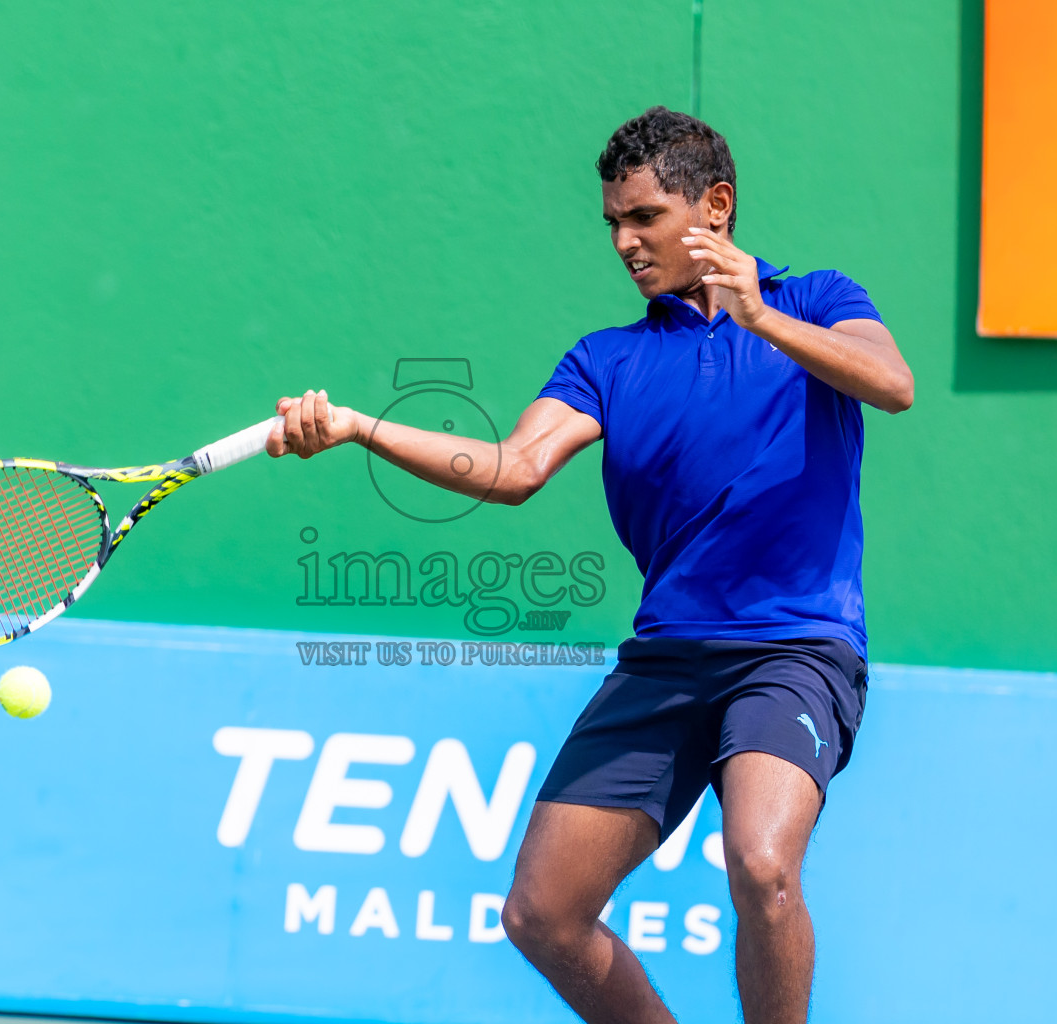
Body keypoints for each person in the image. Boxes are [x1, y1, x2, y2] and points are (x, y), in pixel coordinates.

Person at [266, 106, 912, 1024]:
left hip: (793, 649)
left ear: (715, 207)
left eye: (644, 217)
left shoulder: (817, 300)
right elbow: (512, 467)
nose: (623, 241)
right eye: (612, 220)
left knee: (762, 862)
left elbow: (892, 385)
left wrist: (762, 316)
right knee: (542, 913)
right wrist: (360, 426)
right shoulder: (607, 360)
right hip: (668, 660)